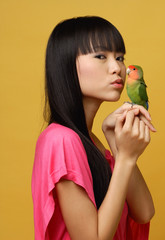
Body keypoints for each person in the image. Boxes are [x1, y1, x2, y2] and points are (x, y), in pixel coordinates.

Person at [31, 16, 156, 240]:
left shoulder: (91, 140)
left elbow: (144, 212)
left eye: (119, 57)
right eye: (100, 56)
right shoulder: (60, 139)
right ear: (66, 65)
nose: (116, 67)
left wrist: (114, 141)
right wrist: (127, 157)